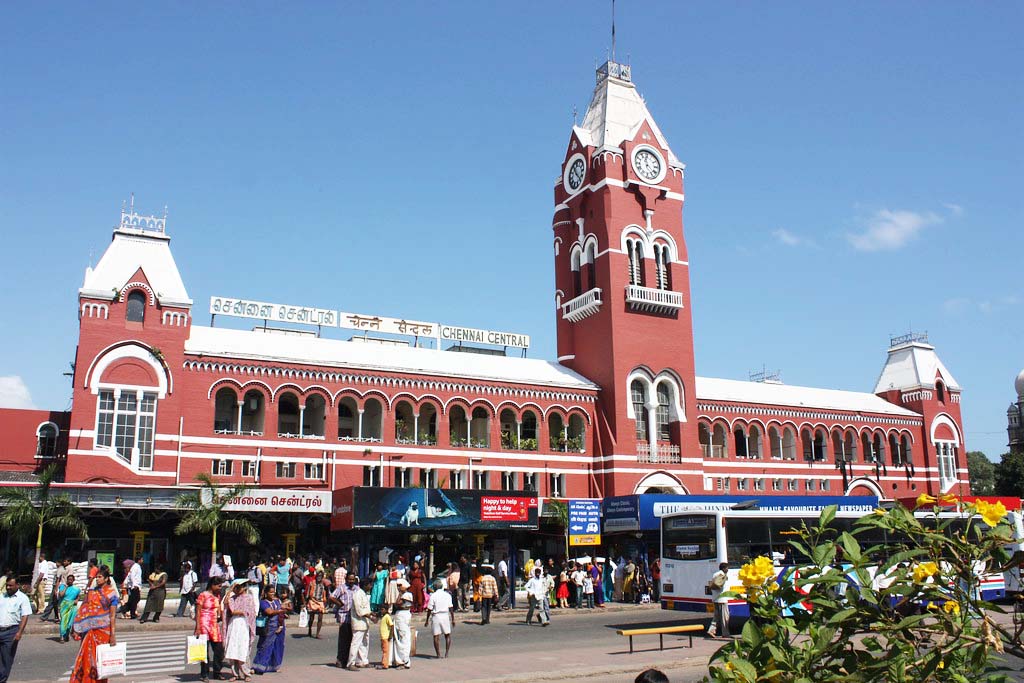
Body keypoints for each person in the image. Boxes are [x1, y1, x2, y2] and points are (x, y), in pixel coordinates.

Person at [69, 565, 118, 683]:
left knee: (100, 660)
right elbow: (83, 610)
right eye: (96, 577)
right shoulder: (91, 593)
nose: (97, 579)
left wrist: (112, 635)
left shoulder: (112, 594)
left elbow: (112, 616)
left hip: (103, 632)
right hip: (89, 631)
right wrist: (76, 626)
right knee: (86, 658)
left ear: (106, 579)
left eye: (100, 577)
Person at [224, 578, 257, 681]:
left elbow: (249, 613)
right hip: (233, 625)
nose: (238, 589)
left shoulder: (249, 598)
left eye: (240, 587)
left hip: (244, 624)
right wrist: (230, 589)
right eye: (236, 587)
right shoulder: (232, 598)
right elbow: (229, 607)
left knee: (243, 650)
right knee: (232, 649)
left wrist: (238, 612)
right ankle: (235, 674)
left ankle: (246, 673)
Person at [0, 576, 32, 683]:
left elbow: (25, 616)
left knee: (6, 659)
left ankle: (2, 679)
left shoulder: (22, 598)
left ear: (17, 585)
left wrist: (19, 632)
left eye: (10, 585)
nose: (8, 587)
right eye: (7, 585)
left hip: (11, 632)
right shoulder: (2, 596)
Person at [195, 577, 226, 682]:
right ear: (212, 585)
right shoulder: (203, 595)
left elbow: (219, 612)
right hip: (203, 624)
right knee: (204, 652)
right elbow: (198, 611)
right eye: (218, 586)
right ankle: (204, 674)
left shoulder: (217, 596)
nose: (220, 588)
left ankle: (217, 672)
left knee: (219, 650)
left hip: (214, 625)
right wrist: (198, 627)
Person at [253, 585, 287, 674]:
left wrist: (284, 611)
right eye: (270, 592)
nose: (272, 594)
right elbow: (269, 612)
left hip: (279, 626)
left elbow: (284, 609)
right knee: (264, 646)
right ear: (266, 593)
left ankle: (274, 666)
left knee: (278, 646)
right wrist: (280, 611)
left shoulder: (276, 601)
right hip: (269, 628)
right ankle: (259, 666)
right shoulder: (263, 602)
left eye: (273, 592)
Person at [329, 571, 357, 669]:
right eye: (350, 579)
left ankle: (348, 660)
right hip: (344, 617)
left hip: (353, 618)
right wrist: (339, 604)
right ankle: (340, 660)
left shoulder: (357, 589)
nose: (351, 581)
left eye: (353, 579)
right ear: (346, 579)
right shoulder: (342, 588)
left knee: (351, 640)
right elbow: (332, 597)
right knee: (343, 640)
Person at [346, 578, 373, 670]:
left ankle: (363, 661)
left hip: (365, 622)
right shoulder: (357, 594)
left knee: (364, 643)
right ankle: (351, 663)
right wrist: (370, 615)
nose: (371, 586)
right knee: (356, 643)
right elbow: (359, 611)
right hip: (358, 622)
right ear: (365, 585)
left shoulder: (364, 594)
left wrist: (372, 614)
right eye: (369, 584)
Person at [424, 578, 454, 658]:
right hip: (445, 615)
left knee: (436, 636)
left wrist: (427, 620)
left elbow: (430, 609)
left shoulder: (433, 596)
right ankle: (447, 653)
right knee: (447, 635)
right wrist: (453, 619)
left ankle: (438, 654)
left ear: (434, 587)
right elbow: (451, 608)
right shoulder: (447, 595)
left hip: (436, 616)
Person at [391, 578, 413, 670]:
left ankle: (405, 660)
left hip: (403, 617)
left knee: (404, 638)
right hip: (400, 616)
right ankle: (399, 660)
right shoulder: (403, 594)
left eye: (400, 585)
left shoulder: (407, 595)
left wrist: (400, 594)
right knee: (398, 639)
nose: (398, 588)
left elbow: (398, 604)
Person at [41, 557, 70, 622]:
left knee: (52, 602)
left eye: (57, 562)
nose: (56, 564)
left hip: (57, 587)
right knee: (55, 603)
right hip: (59, 587)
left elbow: (58, 579)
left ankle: (44, 616)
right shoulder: (62, 569)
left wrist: (56, 589)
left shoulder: (60, 569)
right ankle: (56, 617)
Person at [706, 562, 730, 639]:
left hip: (715, 598)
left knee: (716, 616)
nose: (728, 569)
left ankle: (711, 630)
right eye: (727, 568)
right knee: (724, 617)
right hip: (722, 599)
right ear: (724, 568)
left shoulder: (715, 574)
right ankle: (725, 633)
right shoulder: (722, 575)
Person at [58, 574, 82, 643]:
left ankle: (67, 634)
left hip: (72, 606)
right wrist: (66, 587)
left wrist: (76, 600)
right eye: (69, 580)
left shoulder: (76, 589)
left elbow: (78, 596)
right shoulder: (62, 586)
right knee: (63, 621)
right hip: (65, 605)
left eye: (71, 580)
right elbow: (61, 595)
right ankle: (62, 636)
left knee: (70, 622)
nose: (70, 581)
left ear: (73, 580)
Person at [304, 571, 327, 639]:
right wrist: (306, 603)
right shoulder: (312, 583)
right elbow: (308, 593)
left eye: (320, 576)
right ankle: (310, 629)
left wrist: (326, 602)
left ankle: (317, 634)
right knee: (311, 617)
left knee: (320, 618)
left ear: (322, 577)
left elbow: (326, 593)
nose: (319, 578)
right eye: (318, 576)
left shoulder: (324, 584)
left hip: (320, 602)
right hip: (312, 601)